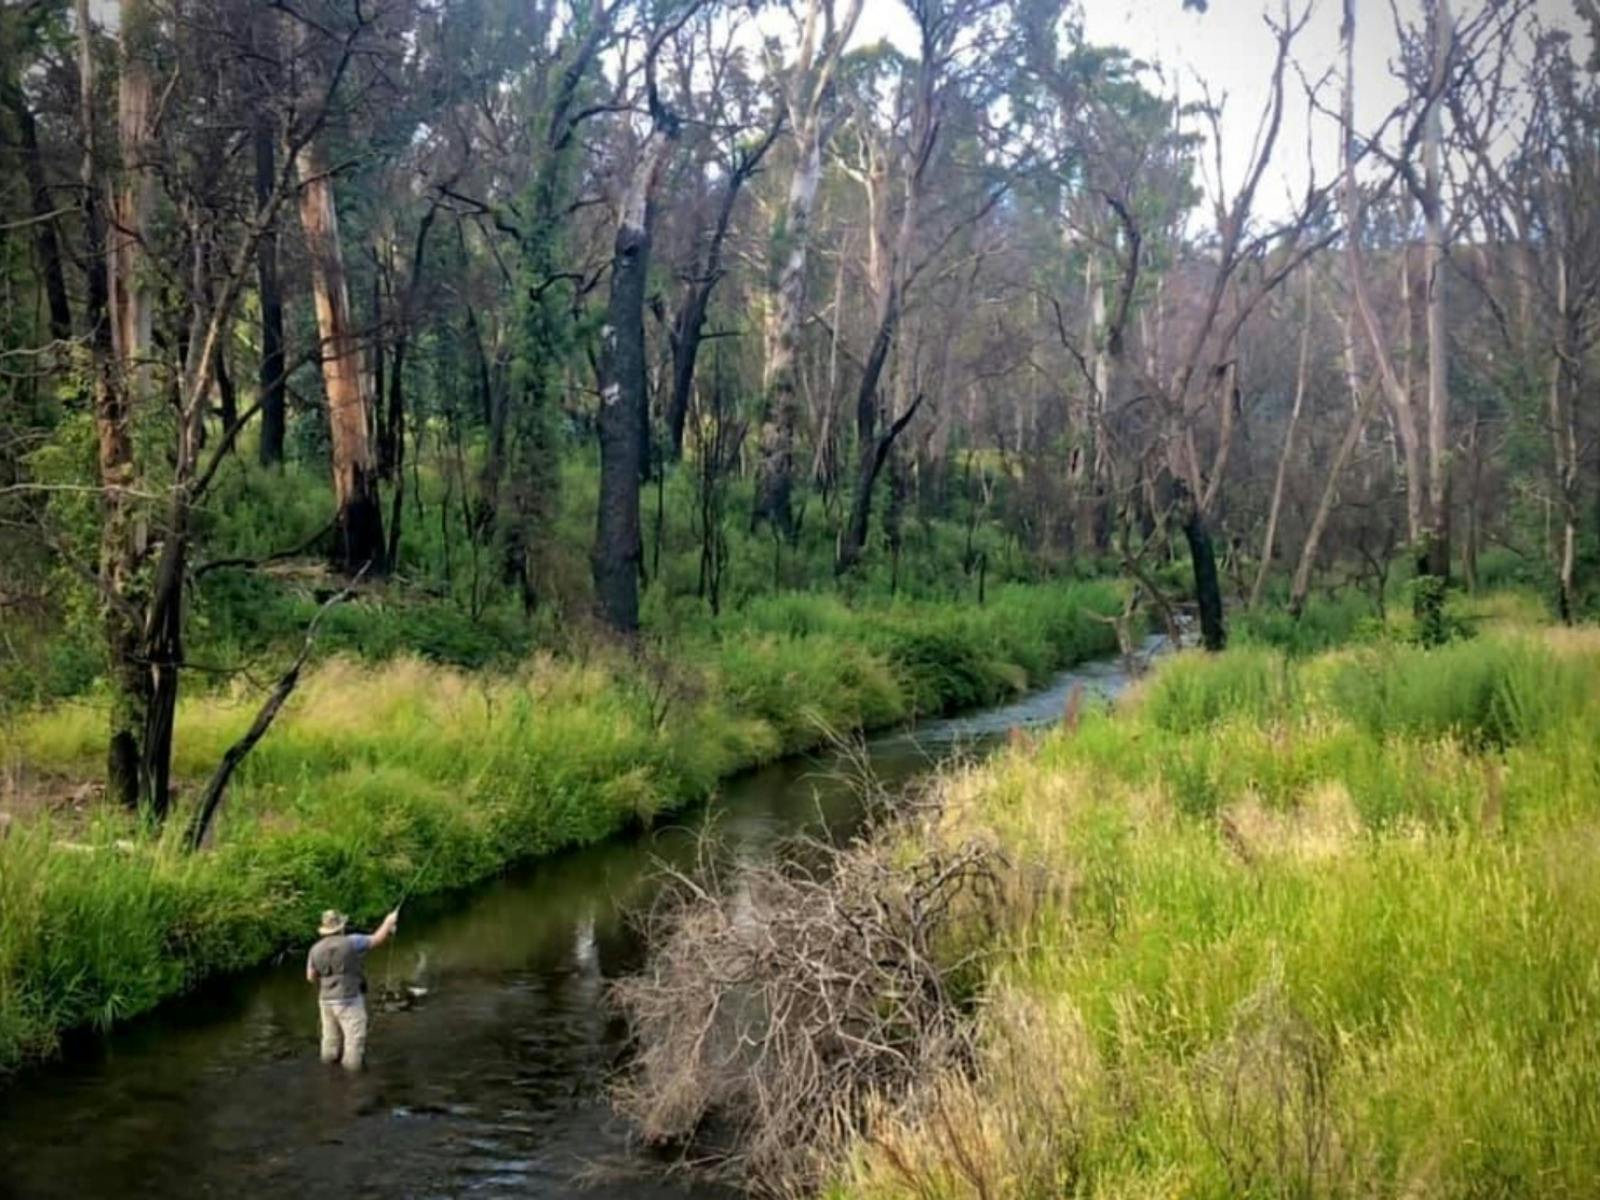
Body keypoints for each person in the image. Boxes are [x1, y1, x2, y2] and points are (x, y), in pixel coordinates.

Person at [306, 907, 398, 1069]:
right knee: (354, 1039)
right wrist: (388, 922)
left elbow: (311, 977)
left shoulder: (314, 949)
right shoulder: (353, 941)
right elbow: (377, 939)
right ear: (341, 927)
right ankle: (352, 1079)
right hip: (349, 999)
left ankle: (328, 1070)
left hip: (325, 1000)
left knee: (329, 1038)